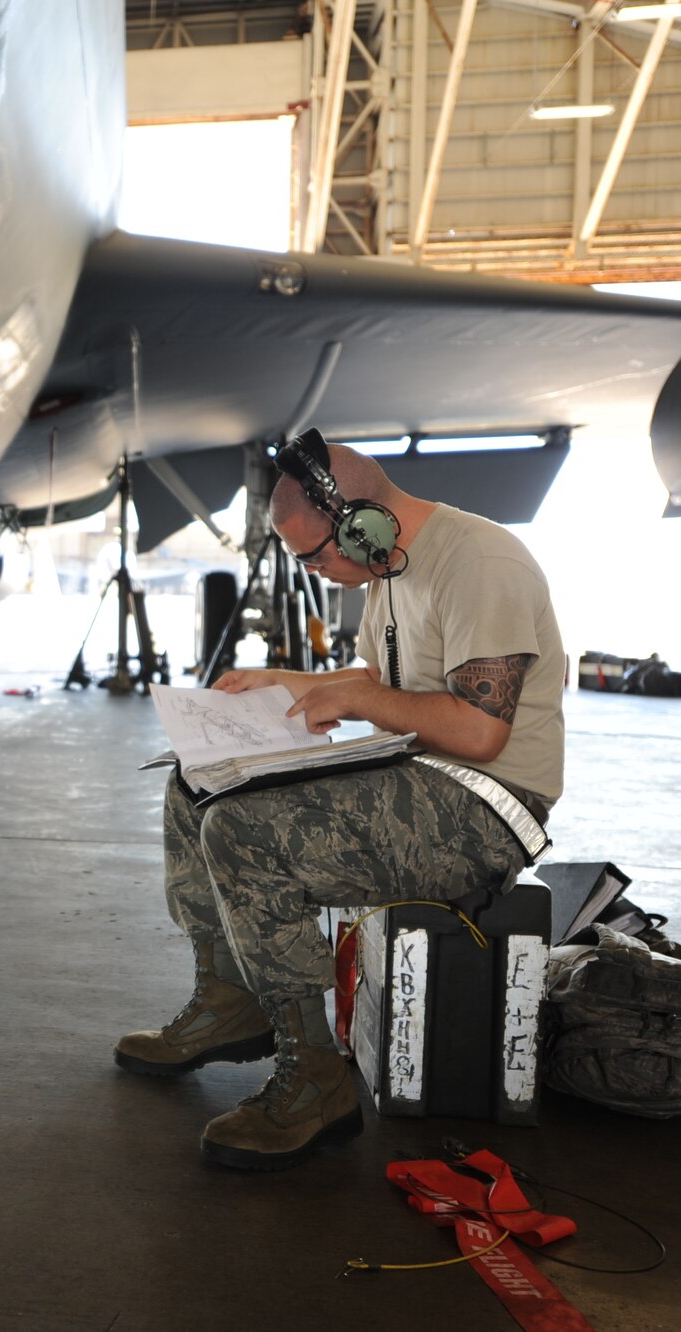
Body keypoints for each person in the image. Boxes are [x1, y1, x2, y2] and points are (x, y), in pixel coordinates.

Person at [116, 442, 564, 1170]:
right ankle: (229, 999)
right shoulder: (393, 573)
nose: (312, 571)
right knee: (196, 786)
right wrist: (287, 682)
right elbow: (387, 681)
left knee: (245, 831)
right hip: (420, 776)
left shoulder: (480, 562)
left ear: (363, 524)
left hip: (488, 807)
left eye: (314, 555)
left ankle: (314, 1083)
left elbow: (481, 731)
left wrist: (356, 696)